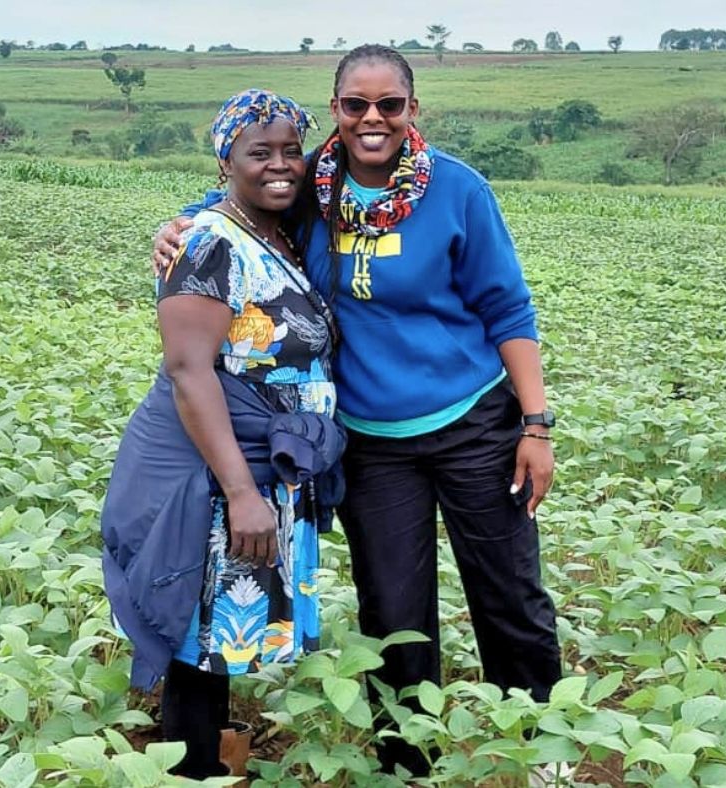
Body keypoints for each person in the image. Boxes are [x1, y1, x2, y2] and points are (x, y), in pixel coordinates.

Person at [153, 45, 561, 778]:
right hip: (371, 443)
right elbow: (246, 192)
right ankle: (408, 763)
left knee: (509, 593)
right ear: (336, 111)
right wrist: (177, 225)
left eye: (390, 105)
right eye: (355, 105)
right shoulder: (315, 181)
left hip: (473, 424)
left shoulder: (458, 190)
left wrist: (535, 425)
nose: (373, 119)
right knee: (395, 612)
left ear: (413, 110)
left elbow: (508, 307)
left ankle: (537, 750)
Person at [102, 89, 344, 780]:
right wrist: (241, 491)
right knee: (196, 640)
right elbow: (189, 371)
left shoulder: (276, 229)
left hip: (267, 464)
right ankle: (192, 771)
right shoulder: (208, 242)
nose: (280, 165)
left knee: (213, 637)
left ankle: (206, 759)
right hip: (220, 470)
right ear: (225, 160)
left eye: (291, 151)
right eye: (258, 152)